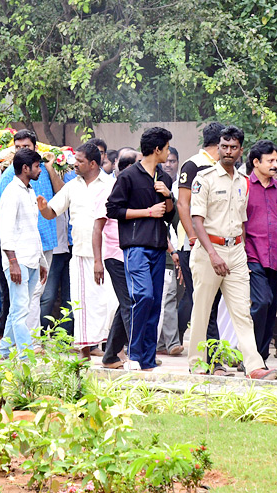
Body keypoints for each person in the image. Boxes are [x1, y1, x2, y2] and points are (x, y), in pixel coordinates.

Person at [188, 128, 277, 380]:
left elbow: (243, 221)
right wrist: (213, 254)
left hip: (236, 251)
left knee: (242, 311)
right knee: (202, 310)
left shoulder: (243, 181)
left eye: (233, 147)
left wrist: (244, 254)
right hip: (209, 251)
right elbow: (197, 221)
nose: (228, 152)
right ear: (218, 147)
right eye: (224, 146)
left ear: (241, 150)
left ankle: (253, 365)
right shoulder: (203, 179)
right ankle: (197, 362)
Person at [105, 127, 176, 371]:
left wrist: (168, 197)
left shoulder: (164, 179)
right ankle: (133, 355)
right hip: (135, 247)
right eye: (166, 148)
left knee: (154, 303)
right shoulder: (128, 176)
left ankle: (147, 360)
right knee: (142, 296)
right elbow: (113, 210)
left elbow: (169, 215)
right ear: (157, 149)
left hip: (158, 247)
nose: (168, 152)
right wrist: (147, 212)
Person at [38, 142, 112, 356]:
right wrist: (43, 208)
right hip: (80, 253)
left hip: (107, 253)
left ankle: (111, 349)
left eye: (79, 161)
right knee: (81, 304)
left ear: (92, 163)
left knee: (107, 302)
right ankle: (85, 350)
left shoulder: (109, 184)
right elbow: (52, 212)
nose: (75, 165)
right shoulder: (72, 185)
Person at [167, 122, 226, 358]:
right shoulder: (193, 165)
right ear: (219, 143)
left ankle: (207, 356)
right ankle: (210, 359)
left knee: (211, 304)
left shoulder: (224, 167)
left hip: (220, 245)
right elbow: (183, 203)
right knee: (203, 303)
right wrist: (192, 237)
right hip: (194, 245)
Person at [0, 148, 46, 356]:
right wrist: (13, 262)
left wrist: (42, 261)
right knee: (21, 311)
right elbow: (6, 230)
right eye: (37, 167)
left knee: (18, 309)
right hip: (18, 260)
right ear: (25, 168)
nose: (40, 171)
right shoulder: (11, 192)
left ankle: (5, 351)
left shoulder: (28, 190)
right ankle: (25, 356)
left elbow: (32, 230)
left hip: (31, 258)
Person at [244, 139, 277, 362]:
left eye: (276, 159)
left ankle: (259, 359)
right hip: (252, 255)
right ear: (256, 162)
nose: (275, 164)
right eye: (270, 160)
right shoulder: (244, 186)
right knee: (261, 302)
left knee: (272, 308)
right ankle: (250, 356)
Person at [96, 150, 136, 368]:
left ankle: (110, 355)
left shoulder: (134, 188)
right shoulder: (108, 190)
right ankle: (136, 353)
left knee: (127, 304)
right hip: (114, 255)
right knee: (130, 303)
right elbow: (97, 228)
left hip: (132, 253)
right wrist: (96, 261)